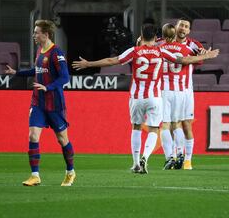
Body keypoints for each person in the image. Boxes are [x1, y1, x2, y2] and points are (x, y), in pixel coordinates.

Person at [72, 24, 219, 174]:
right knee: (154, 129)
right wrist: (206, 56)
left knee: (136, 127)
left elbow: (112, 61)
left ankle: (136, 163)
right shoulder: (161, 51)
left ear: (141, 37)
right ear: (156, 38)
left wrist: (89, 63)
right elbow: (183, 60)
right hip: (155, 97)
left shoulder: (135, 51)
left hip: (137, 97)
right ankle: (146, 157)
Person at [5, 20, 75, 186]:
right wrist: (17, 72)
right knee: (32, 135)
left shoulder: (56, 53)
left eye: (36, 32)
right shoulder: (40, 51)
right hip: (37, 102)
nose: (34, 35)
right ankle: (35, 175)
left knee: (62, 139)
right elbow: (35, 71)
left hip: (54, 103)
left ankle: (70, 171)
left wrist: (48, 87)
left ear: (46, 34)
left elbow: (65, 77)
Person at [158, 23, 195, 170]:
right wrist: (205, 55)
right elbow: (194, 60)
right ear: (175, 34)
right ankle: (180, 153)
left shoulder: (158, 48)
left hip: (164, 90)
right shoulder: (186, 49)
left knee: (165, 126)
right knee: (177, 124)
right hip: (180, 91)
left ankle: (170, 157)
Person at [171, 17, 206, 170]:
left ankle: (188, 160)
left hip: (185, 91)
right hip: (169, 90)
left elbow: (201, 57)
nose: (183, 28)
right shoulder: (163, 42)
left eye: (186, 26)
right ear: (176, 27)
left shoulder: (194, 45)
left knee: (185, 124)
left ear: (189, 31)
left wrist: (204, 53)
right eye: (181, 25)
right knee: (172, 125)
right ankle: (175, 157)